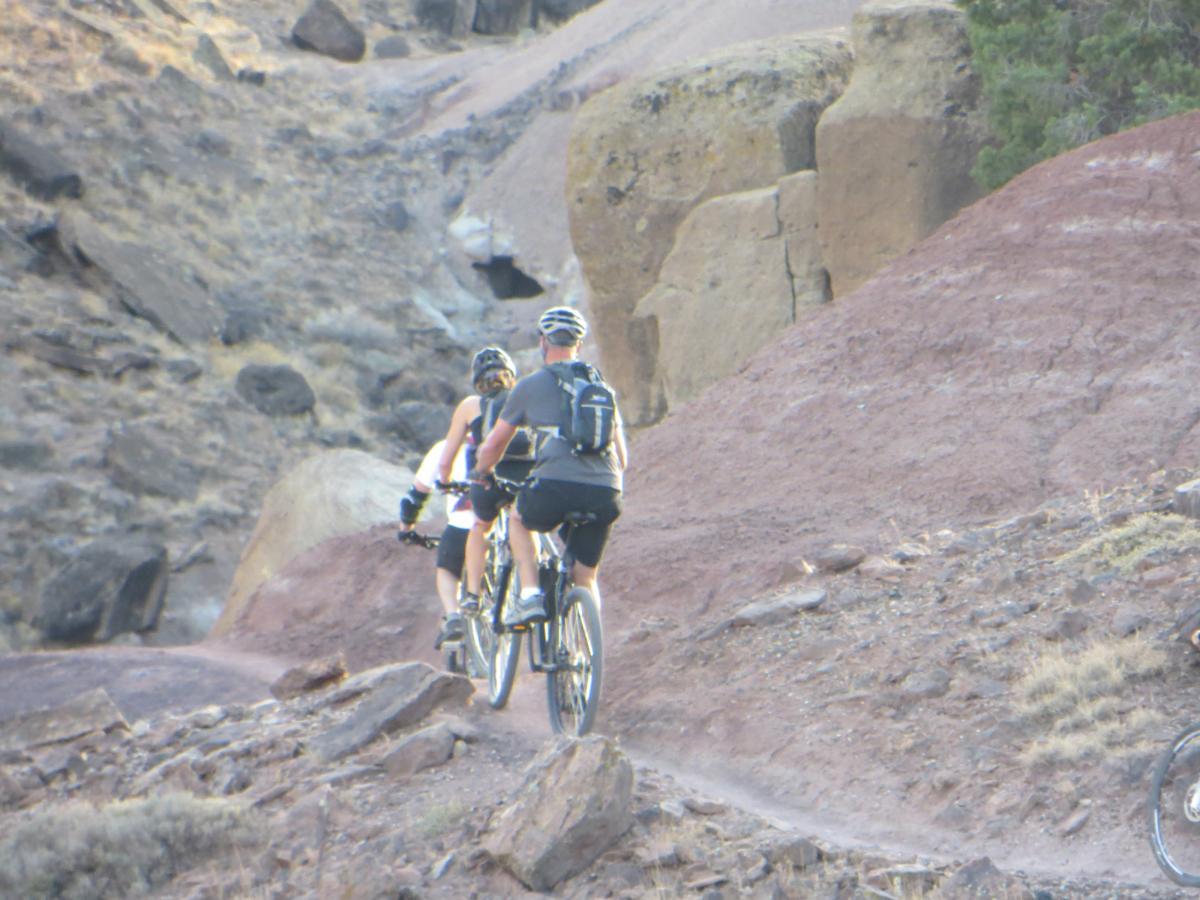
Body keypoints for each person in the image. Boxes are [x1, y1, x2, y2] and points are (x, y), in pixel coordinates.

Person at [472, 306, 627, 627]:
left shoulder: (528, 386)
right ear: (579, 345)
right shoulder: (602, 390)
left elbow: (494, 444)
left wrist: (482, 472)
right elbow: (623, 459)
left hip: (555, 484)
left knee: (518, 520)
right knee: (586, 578)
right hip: (606, 489)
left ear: (543, 342)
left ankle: (530, 595)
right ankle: (588, 650)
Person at [436, 347, 535, 613]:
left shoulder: (470, 406)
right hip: (526, 477)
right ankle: (531, 588)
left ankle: (472, 594)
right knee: (523, 522)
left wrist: (444, 481)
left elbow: (447, 459)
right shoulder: (525, 397)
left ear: (478, 381)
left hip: (488, 480)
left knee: (480, 526)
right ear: (510, 376)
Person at [399, 437, 473, 649]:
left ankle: (453, 615)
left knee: (447, 568)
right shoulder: (512, 440)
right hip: (505, 525)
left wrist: (406, 529)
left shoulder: (445, 448)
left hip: (463, 525)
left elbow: (415, 496)